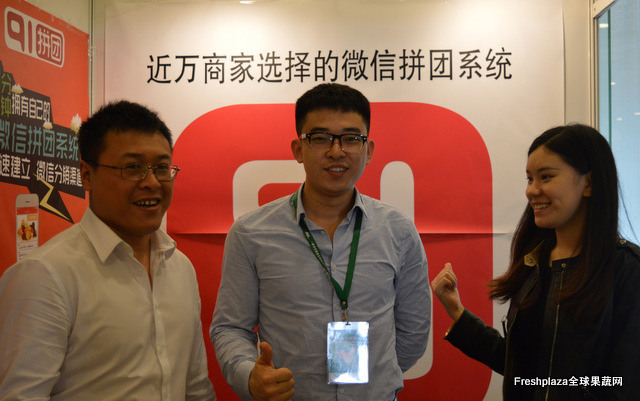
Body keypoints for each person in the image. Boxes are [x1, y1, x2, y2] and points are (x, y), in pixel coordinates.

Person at [211, 83, 430, 401]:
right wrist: (249, 375)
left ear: (368, 150)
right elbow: (230, 327)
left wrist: (372, 382)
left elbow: (414, 330)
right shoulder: (250, 233)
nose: (336, 151)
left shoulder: (398, 231)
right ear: (298, 149)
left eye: (351, 138)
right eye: (320, 138)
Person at [0, 101, 215, 401]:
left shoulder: (180, 267)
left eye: (161, 168)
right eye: (133, 168)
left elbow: (195, 387)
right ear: (87, 175)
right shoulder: (44, 276)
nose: (152, 182)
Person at [431, 124, 640, 400]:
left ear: (588, 183)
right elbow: (523, 369)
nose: (532, 190)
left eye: (546, 177)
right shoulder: (534, 263)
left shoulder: (627, 269)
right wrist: (457, 311)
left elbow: (623, 384)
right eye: (530, 179)